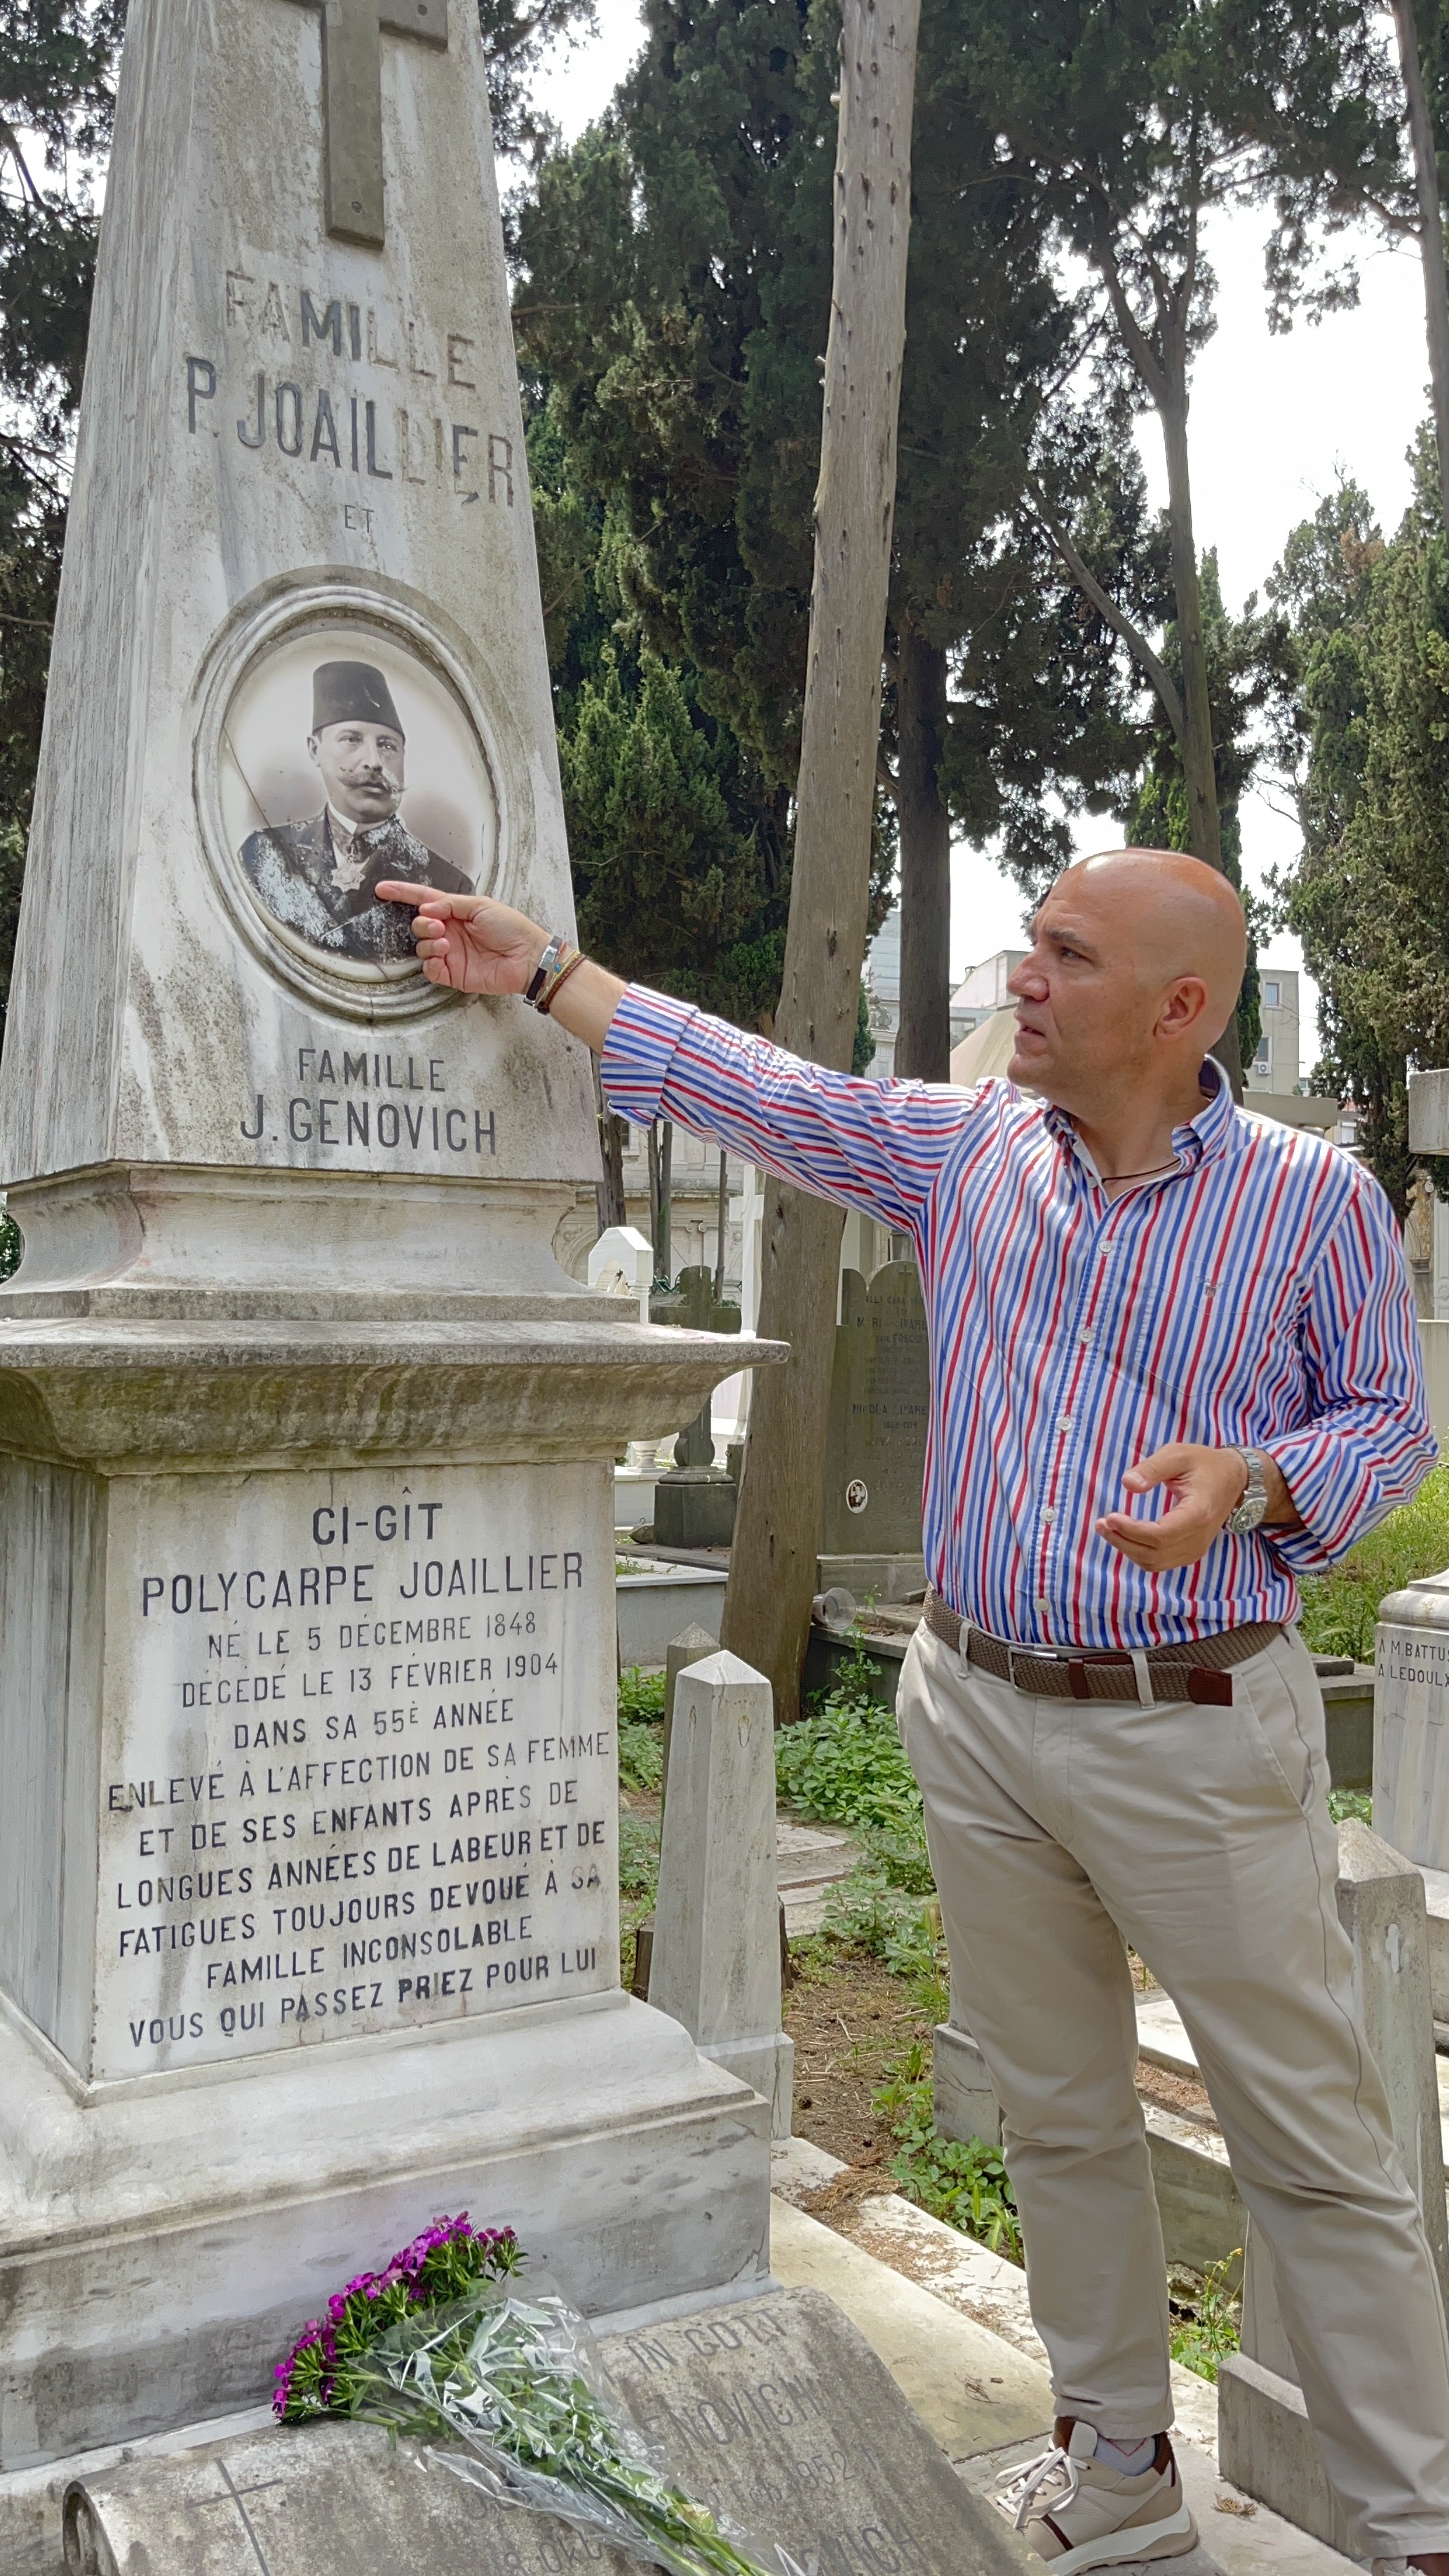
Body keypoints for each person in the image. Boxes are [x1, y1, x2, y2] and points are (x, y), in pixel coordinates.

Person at [377, 850, 1449, 2576]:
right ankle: (1118, 2469)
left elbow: (1390, 1421)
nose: (1022, 978)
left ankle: (1417, 2525)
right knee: (1059, 2113)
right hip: (976, 1709)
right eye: (1029, 944)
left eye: (1066, 956)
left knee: (1310, 2144)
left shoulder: (1308, 1199)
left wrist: (1254, 1480)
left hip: (1188, 1717)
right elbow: (760, 1088)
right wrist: (546, 967)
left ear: (1178, 1009)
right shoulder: (965, 1153)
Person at [240, 661, 471, 964]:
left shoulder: (450, 887)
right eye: (352, 739)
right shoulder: (263, 855)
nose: (374, 762)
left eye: (387, 745)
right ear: (314, 750)